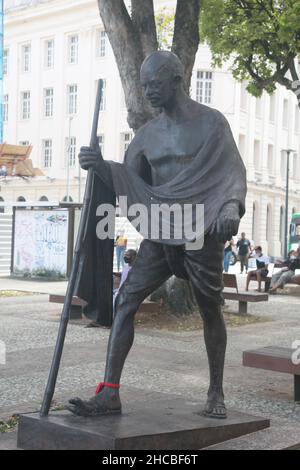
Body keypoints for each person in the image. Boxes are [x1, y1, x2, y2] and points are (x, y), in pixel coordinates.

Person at [68, 51, 246, 419]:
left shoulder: (212, 124)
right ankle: (110, 393)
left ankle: (215, 391)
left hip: (201, 227)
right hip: (162, 230)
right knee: (126, 300)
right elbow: (128, 179)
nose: (147, 91)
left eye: (154, 84)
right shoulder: (147, 136)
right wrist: (99, 166)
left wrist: (231, 207)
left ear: (176, 79)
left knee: (210, 307)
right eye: (143, 84)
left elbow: (232, 173)